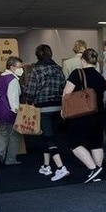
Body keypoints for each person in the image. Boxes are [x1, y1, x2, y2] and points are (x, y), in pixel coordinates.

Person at [62, 48, 106, 183]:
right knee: (96, 143)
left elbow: (67, 93)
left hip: (80, 114)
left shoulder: (77, 73)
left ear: (82, 60)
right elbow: (104, 97)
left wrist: (64, 109)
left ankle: (93, 168)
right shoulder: (100, 77)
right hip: (98, 114)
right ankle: (98, 171)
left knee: (74, 143)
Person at [24, 44, 70, 182]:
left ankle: (61, 168)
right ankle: (46, 166)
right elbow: (64, 87)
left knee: (48, 139)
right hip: (57, 107)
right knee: (49, 137)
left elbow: (31, 91)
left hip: (42, 109)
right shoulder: (58, 69)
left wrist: (28, 101)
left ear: (37, 55)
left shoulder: (35, 70)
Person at [0, 56, 24, 166]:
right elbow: (13, 99)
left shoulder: (1, 77)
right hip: (8, 112)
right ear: (12, 67)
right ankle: (10, 159)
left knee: (3, 134)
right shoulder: (12, 80)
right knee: (14, 135)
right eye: (19, 67)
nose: (21, 69)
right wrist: (18, 113)